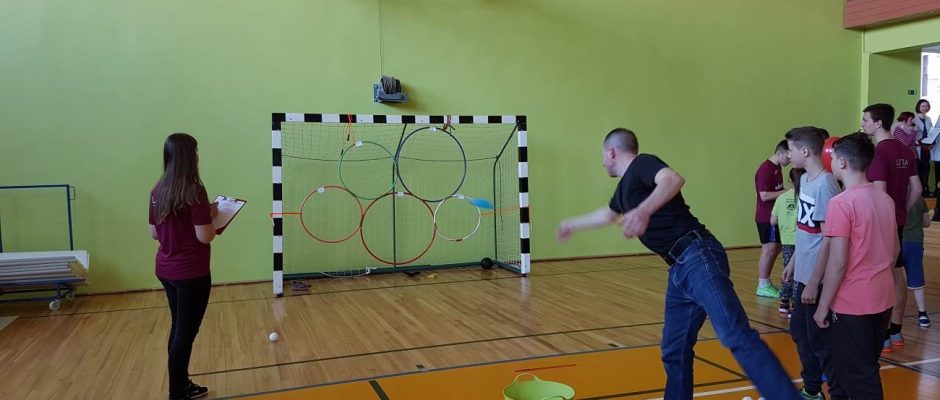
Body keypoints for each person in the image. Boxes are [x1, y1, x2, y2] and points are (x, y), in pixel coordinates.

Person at [557, 128, 799, 399]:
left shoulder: (642, 163)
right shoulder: (624, 190)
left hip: (698, 256)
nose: (602, 162)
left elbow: (673, 179)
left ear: (611, 153)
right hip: (679, 270)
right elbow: (607, 215)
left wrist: (643, 211)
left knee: (735, 334)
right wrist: (571, 224)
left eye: (602, 156)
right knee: (674, 350)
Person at [814, 132, 896, 399]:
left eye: (833, 157)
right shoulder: (885, 199)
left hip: (852, 304)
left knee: (859, 376)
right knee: (863, 366)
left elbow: (838, 262)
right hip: (883, 298)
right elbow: (894, 250)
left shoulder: (841, 203)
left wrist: (823, 306)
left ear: (843, 163)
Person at [149, 133, 217, 400]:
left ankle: (181, 384)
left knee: (179, 329)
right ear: (189, 156)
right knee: (185, 334)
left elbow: (154, 232)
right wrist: (210, 220)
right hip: (191, 273)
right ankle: (177, 392)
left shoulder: (158, 190)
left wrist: (204, 214)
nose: (198, 156)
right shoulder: (194, 191)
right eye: (196, 151)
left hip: (166, 270)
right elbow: (205, 236)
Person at [782, 127, 841, 400]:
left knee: (820, 340)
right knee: (800, 333)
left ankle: (835, 392)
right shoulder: (805, 179)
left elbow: (829, 238)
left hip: (816, 278)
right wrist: (794, 262)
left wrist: (814, 282)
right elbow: (806, 229)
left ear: (805, 151)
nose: (788, 154)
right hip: (803, 273)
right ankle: (812, 388)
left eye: (791, 149)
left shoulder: (825, 185)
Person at [861, 103, 921, 350]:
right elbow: (917, 188)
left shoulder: (879, 153)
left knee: (881, 275)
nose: (863, 123)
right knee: (897, 273)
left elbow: (880, 193)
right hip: (898, 221)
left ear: (878, 123)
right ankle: (896, 332)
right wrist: (902, 210)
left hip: (882, 224)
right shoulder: (905, 150)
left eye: (866, 120)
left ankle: (883, 333)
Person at [755, 140, 790, 297]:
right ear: (779, 153)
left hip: (774, 216)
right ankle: (762, 284)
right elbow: (764, 195)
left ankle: (766, 282)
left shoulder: (777, 168)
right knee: (769, 250)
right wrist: (786, 192)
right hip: (766, 217)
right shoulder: (766, 169)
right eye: (787, 156)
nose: (789, 160)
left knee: (775, 248)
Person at [771, 168, 802, 317]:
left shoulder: (781, 198)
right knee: (799, 272)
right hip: (801, 241)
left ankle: (784, 302)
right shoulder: (805, 197)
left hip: (787, 241)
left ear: (789, 180)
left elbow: (773, 220)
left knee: (787, 271)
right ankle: (795, 304)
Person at [898, 196, 931, 331]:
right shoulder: (919, 199)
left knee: (894, 279)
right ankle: (922, 315)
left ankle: (890, 316)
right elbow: (926, 222)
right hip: (915, 241)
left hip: (896, 241)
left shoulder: (893, 195)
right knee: (917, 278)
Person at [914, 99, 934, 196]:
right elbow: (912, 134)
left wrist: (932, 142)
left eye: (926, 106)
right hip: (918, 147)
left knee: (926, 166)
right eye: (922, 106)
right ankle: (919, 189)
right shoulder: (914, 119)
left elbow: (931, 132)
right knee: (919, 167)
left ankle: (925, 187)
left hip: (926, 147)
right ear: (918, 107)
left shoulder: (928, 119)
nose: (925, 108)